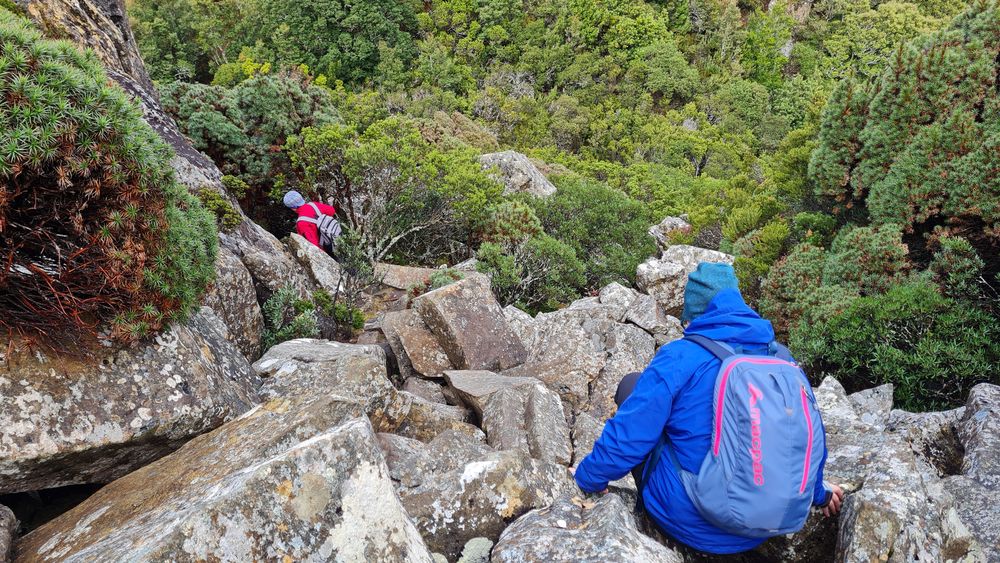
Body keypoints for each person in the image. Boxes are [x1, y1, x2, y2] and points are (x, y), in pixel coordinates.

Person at [574, 262, 844, 556]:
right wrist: (819, 492)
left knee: (632, 388)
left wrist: (588, 479)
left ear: (695, 314)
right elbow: (802, 437)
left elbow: (630, 435)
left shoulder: (680, 355)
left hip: (694, 522)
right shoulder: (782, 358)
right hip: (766, 525)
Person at [283, 190, 341, 255]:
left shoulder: (301, 223)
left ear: (292, 208)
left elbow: (314, 245)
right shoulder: (313, 204)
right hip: (337, 235)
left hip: (329, 249)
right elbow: (332, 211)